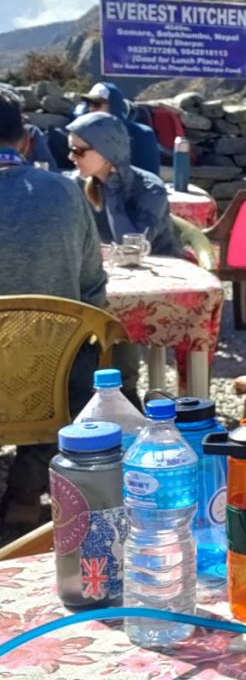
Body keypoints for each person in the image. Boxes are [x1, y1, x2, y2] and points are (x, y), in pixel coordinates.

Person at [0, 88, 106, 543]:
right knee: (76, 352)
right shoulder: (65, 192)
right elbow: (92, 291)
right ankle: (26, 489)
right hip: (48, 386)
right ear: (25, 140)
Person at [66, 111, 181, 408]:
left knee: (113, 318)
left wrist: (113, 191)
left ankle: (126, 393)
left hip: (157, 282)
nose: (71, 157)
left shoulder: (149, 187)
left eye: (79, 150)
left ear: (106, 152)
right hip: (113, 278)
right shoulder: (80, 184)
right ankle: (99, 395)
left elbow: (132, 243)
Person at [80, 82, 161, 175]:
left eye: (96, 104)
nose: (91, 109)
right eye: (89, 104)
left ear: (113, 106)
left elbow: (151, 177)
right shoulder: (85, 135)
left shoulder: (141, 134)